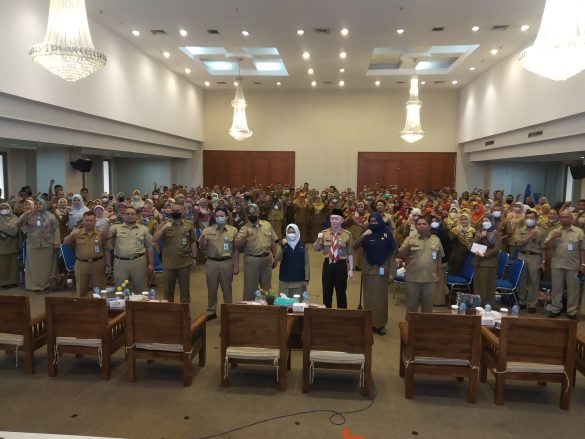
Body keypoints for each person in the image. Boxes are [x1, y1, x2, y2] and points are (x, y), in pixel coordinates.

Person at [354, 212, 395, 335]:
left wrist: (392, 272)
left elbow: (393, 253)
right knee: (369, 299)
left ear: (380, 221)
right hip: (368, 271)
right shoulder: (367, 233)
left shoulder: (387, 233)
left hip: (382, 271)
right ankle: (369, 323)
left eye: (375, 221)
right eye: (371, 221)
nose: (373, 223)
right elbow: (355, 246)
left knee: (381, 300)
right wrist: (364, 235)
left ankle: (380, 324)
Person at [198, 207, 239, 319]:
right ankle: (211, 311)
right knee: (211, 288)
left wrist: (236, 266)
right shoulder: (208, 230)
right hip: (211, 262)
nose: (219, 218)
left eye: (221, 216)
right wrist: (202, 238)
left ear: (226, 217)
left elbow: (235, 250)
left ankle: (228, 311)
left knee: (227, 288)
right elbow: (202, 247)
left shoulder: (233, 230)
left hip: (227, 262)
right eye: (217, 216)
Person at [397, 217, 444, 315]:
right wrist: (407, 246)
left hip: (430, 279)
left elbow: (439, 259)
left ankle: (425, 325)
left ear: (429, 226)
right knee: (411, 307)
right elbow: (400, 255)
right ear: (416, 226)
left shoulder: (436, 240)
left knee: (428, 308)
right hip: (412, 279)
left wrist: (439, 275)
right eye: (419, 224)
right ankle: (410, 325)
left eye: (424, 224)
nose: (422, 226)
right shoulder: (409, 239)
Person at [544, 209, 585, 320]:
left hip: (573, 265)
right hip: (557, 265)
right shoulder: (554, 231)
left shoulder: (579, 232)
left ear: (571, 219)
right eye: (562, 217)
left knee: (573, 290)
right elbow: (547, 246)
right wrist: (554, 237)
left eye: (567, 217)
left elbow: (582, 250)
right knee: (557, 289)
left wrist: (583, 264)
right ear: (559, 219)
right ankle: (556, 309)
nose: (564, 219)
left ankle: (571, 312)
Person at [152, 203, 197, 303]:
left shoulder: (189, 225)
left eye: (178, 211)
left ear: (183, 212)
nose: (175, 213)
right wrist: (164, 228)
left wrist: (194, 257)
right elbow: (154, 239)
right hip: (169, 263)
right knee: (168, 291)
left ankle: (184, 311)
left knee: (185, 291)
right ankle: (169, 311)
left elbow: (193, 242)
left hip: (184, 262)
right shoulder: (164, 224)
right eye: (173, 211)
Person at [63, 211, 111, 296]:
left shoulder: (100, 234)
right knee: (81, 291)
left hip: (98, 264)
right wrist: (71, 235)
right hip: (81, 264)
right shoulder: (77, 233)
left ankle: (99, 304)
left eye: (91, 220)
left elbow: (106, 249)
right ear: (83, 221)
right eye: (87, 220)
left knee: (99, 290)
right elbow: (65, 243)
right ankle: (82, 304)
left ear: (95, 221)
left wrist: (108, 264)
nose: (89, 222)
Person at [107, 206, 154, 293]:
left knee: (142, 290)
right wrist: (108, 222)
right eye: (127, 214)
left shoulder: (144, 229)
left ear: (137, 216)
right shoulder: (116, 227)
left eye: (133, 214)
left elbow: (149, 247)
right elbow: (103, 236)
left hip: (139, 262)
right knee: (120, 290)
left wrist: (151, 264)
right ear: (123, 215)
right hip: (120, 263)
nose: (130, 216)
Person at [236, 203, 278, 301]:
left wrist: (275, 256)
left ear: (258, 213)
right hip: (252, 261)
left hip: (267, 260)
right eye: (249, 214)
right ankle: (250, 307)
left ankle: (269, 306)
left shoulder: (267, 225)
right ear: (247, 215)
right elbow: (238, 245)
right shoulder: (244, 229)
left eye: (254, 213)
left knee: (267, 287)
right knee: (250, 287)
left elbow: (272, 242)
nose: (252, 215)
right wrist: (245, 236)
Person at [314, 208, 354, 308]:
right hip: (328, 265)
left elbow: (350, 253)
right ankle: (327, 313)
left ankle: (342, 314)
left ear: (342, 220)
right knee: (326, 292)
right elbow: (316, 248)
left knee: (341, 292)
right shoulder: (324, 233)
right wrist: (318, 238)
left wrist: (351, 269)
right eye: (332, 218)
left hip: (341, 265)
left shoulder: (347, 235)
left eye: (336, 218)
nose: (334, 221)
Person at [17, 199, 60, 291]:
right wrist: (25, 217)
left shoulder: (50, 215)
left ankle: (48, 284)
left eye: (40, 204)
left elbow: (56, 228)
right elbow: (19, 225)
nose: (38, 205)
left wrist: (56, 242)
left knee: (47, 267)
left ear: (44, 205)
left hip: (48, 244)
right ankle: (33, 285)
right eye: (36, 204)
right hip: (32, 244)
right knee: (33, 266)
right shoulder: (28, 214)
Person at [514, 209, 546, 313]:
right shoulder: (520, 229)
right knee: (522, 280)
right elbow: (518, 244)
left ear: (536, 219)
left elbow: (543, 248)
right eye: (527, 217)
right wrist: (529, 235)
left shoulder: (541, 231)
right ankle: (521, 301)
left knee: (534, 281)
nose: (529, 219)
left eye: (531, 217)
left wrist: (543, 262)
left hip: (535, 257)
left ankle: (532, 304)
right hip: (522, 255)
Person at [471, 214, 503, 306]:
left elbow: (496, 249)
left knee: (488, 286)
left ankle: (487, 305)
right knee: (478, 285)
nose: (485, 223)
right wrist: (480, 237)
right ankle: (478, 305)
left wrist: (485, 254)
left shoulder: (497, 233)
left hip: (489, 263)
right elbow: (472, 245)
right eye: (483, 221)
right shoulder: (479, 232)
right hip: (478, 262)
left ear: (492, 222)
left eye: (487, 221)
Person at [277, 223, 310, 297]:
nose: (291, 234)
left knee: (297, 302)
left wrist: (307, 278)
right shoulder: (284, 245)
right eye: (289, 232)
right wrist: (282, 246)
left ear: (297, 232)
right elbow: (277, 258)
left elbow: (306, 263)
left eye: (293, 232)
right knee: (284, 301)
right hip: (285, 280)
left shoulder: (303, 245)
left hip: (299, 280)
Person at [0, 202, 19, 287]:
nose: (4, 210)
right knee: (2, 264)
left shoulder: (15, 218)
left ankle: (13, 281)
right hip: (1, 244)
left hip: (12, 243)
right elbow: (10, 228)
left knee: (13, 264)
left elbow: (15, 229)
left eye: (6, 208)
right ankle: (3, 282)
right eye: (2, 208)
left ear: (10, 209)